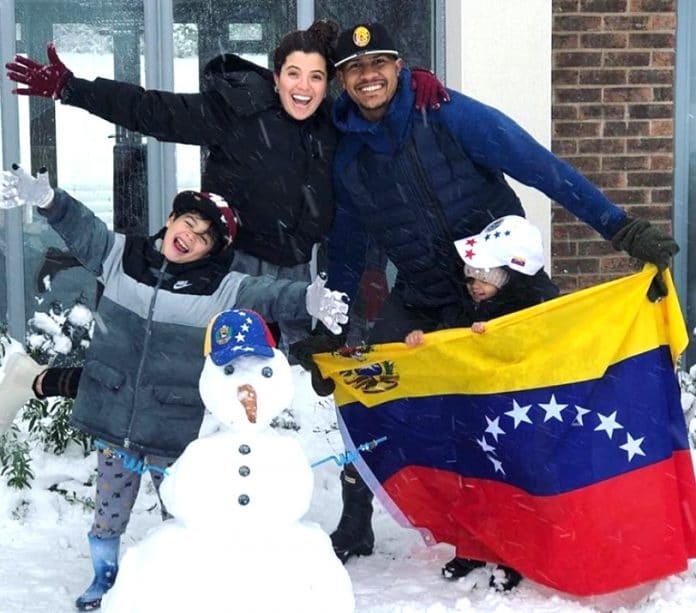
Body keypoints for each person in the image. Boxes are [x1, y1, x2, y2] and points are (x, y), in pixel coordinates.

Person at [304, 21, 678, 571]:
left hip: (500, 290)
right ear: (341, 80)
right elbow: (347, 250)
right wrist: (333, 328)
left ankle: (539, 523)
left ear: (398, 67)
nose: (368, 76)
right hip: (425, 293)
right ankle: (359, 520)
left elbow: (541, 167)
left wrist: (619, 228)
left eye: (377, 64)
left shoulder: (448, 114)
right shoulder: (350, 158)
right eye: (354, 69)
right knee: (370, 389)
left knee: (520, 412)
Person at [2, 19, 445, 413]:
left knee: (283, 385)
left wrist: (413, 83)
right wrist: (71, 87)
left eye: (315, 77)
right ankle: (42, 381)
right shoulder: (238, 112)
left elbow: (375, 99)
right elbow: (152, 109)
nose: (304, 87)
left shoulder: (333, 124)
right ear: (275, 77)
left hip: (294, 272)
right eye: (293, 74)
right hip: (230, 269)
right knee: (183, 375)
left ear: (327, 82)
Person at [0, 165, 349, 610]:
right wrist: (50, 200)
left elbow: (268, 293)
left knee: (183, 509)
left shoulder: (220, 288)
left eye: (204, 236)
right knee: (110, 510)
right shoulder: (121, 256)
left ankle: (179, 580)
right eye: (188, 223)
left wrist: (307, 299)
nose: (191, 236)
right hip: (116, 414)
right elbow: (83, 229)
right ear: (171, 219)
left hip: (173, 425)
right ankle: (103, 578)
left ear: (212, 250)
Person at [403, 214, 557, 590]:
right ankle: (473, 547)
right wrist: (426, 340)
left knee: (511, 490)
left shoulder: (540, 307)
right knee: (471, 484)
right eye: (471, 276)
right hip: (472, 414)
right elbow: (449, 341)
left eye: (485, 276)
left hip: (516, 418)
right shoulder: (464, 308)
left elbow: (543, 352)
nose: (475, 285)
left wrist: (498, 338)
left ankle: (512, 556)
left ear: (510, 274)